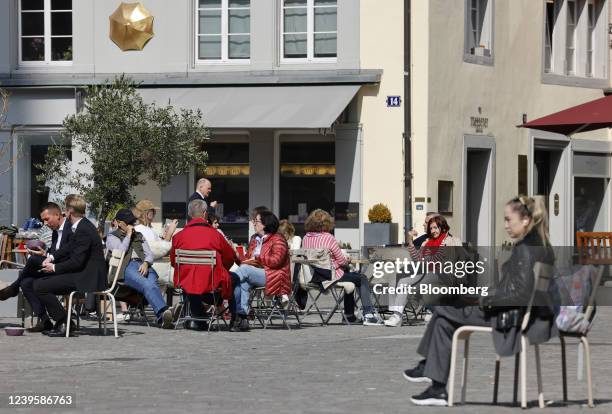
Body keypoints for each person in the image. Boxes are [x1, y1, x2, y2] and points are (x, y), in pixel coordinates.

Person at [404, 196, 556, 406]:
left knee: (444, 309)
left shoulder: (525, 249)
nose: (505, 225)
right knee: (443, 319)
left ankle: (429, 370)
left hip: (508, 317)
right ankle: (436, 387)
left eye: (508, 219)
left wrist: (485, 298)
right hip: (515, 313)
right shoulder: (540, 244)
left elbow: (520, 293)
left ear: (525, 220)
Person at [32, 195, 107, 337]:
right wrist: (51, 257)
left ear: (70, 212)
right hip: (83, 273)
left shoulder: (84, 229)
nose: (64, 213)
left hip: (87, 277)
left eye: (66, 210)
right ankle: (63, 322)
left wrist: (54, 268)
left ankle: (64, 322)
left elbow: (77, 262)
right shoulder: (81, 225)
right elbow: (68, 247)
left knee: (40, 286)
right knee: (38, 283)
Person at [301, 209, 384, 326]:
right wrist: (347, 260)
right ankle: (369, 314)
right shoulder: (328, 237)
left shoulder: (306, 238)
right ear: (326, 223)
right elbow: (341, 260)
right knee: (362, 278)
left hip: (314, 276)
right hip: (330, 276)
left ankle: (349, 316)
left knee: (350, 279)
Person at [0, 202, 73, 332]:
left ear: (57, 215)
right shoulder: (56, 232)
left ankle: (13, 288)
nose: (45, 223)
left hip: (63, 270)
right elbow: (55, 253)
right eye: (43, 220)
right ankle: (45, 322)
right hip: (52, 267)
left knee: (33, 260)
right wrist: (45, 254)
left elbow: (69, 256)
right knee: (26, 282)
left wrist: (48, 258)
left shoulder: (70, 229)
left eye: (47, 219)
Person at [170, 199, 237, 331]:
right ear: (205, 214)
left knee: (191, 283)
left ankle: (199, 317)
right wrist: (222, 269)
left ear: (190, 214)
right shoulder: (215, 235)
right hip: (212, 284)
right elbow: (230, 258)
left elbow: (174, 262)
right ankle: (236, 318)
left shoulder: (178, 237)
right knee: (235, 278)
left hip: (187, 283)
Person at [384, 214, 461, 327]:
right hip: (429, 274)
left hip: (444, 276)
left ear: (442, 227)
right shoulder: (427, 242)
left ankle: (400, 315)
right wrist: (410, 241)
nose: (433, 231)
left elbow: (438, 259)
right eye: (431, 228)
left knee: (406, 283)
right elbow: (417, 259)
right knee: (403, 282)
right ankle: (397, 316)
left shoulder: (451, 241)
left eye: (435, 227)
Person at [106, 209, 175, 329]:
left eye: (132, 222)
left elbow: (148, 253)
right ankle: (164, 312)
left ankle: (163, 317)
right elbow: (121, 251)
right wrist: (128, 235)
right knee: (147, 284)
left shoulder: (139, 235)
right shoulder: (112, 237)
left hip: (143, 265)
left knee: (151, 283)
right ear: (119, 222)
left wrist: (146, 263)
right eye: (128, 223)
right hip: (125, 267)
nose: (131, 225)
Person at [231, 210, 292, 332]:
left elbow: (276, 261)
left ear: (265, 224)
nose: (254, 223)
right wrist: (237, 255)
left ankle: (226, 282)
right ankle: (242, 317)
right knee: (242, 283)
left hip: (274, 275)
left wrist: (258, 258)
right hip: (256, 273)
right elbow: (247, 260)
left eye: (256, 221)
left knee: (243, 272)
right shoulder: (255, 239)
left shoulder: (277, 239)